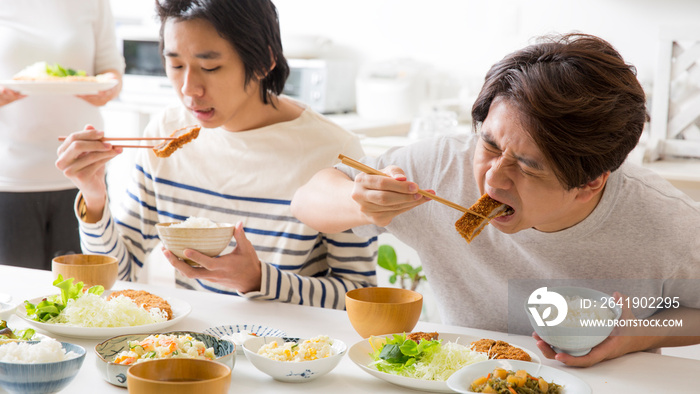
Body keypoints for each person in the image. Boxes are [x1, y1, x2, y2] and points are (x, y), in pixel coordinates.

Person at [291, 33, 700, 366]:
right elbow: (306, 200)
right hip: (463, 374)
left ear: (590, 182)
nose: (492, 178)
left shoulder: (666, 222)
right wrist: (360, 200)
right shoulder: (441, 168)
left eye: (528, 166)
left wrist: (633, 336)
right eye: (489, 144)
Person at [55, 0, 377, 309]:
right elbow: (118, 275)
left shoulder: (335, 151)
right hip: (197, 350)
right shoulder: (166, 132)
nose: (188, 88)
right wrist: (94, 196)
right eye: (176, 64)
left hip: (292, 356)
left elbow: (360, 297)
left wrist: (260, 280)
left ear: (264, 61)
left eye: (210, 66)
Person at [0, 0, 123, 270]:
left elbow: (112, 68)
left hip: (84, 172)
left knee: (86, 291)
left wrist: (106, 88)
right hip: (9, 178)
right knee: (14, 297)